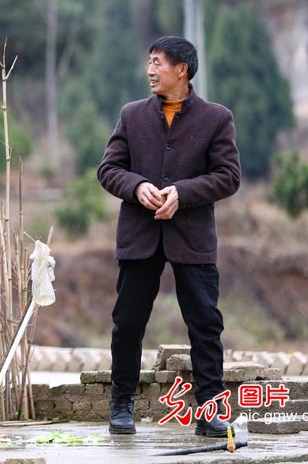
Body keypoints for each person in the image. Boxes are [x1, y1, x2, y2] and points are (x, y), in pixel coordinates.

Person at [97, 36, 241, 437]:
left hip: (191, 236)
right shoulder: (131, 115)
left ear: (182, 69)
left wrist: (182, 192)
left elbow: (228, 177)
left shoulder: (216, 118)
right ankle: (121, 404)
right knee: (127, 323)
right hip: (139, 235)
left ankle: (210, 410)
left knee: (205, 325)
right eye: (149, 62)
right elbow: (108, 169)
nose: (150, 70)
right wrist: (136, 186)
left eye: (158, 62)